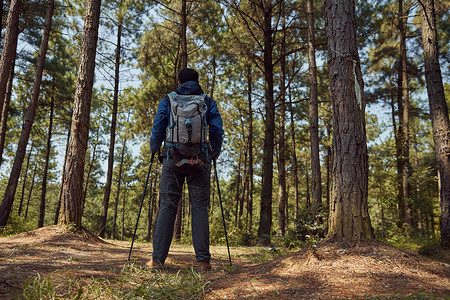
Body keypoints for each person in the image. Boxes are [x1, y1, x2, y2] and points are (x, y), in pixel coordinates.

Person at [149, 68, 224, 271]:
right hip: (200, 160)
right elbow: (216, 129)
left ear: (179, 81)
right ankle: (203, 261)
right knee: (199, 207)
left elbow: (158, 126)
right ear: (197, 82)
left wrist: (154, 148)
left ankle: (157, 261)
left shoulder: (168, 99)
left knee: (167, 205)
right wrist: (214, 152)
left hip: (172, 158)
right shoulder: (207, 101)